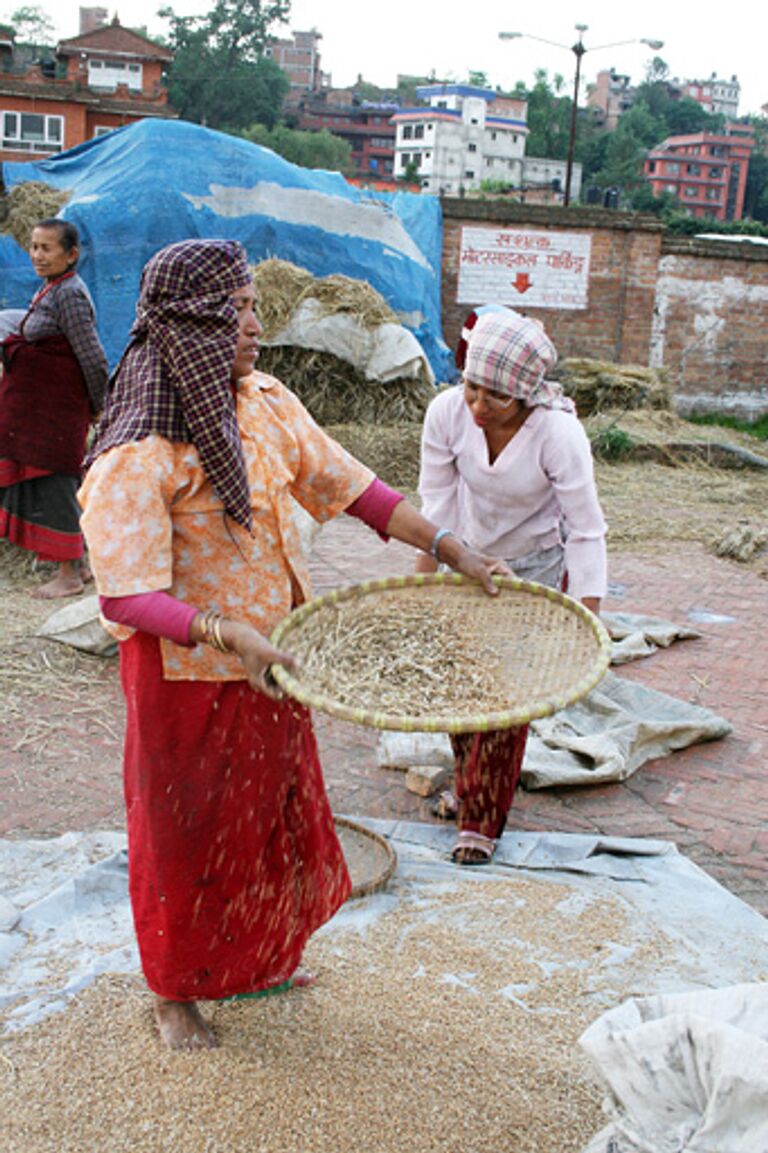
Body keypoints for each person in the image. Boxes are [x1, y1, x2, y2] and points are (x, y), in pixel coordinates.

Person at [78, 239, 508, 1052]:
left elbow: (356, 489)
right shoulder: (139, 448)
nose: (256, 322)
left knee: (268, 823)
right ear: (193, 324)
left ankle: (258, 960)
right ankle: (176, 993)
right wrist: (226, 630)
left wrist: (452, 547)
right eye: (236, 308)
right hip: (187, 676)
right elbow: (126, 593)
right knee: (188, 835)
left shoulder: (267, 401)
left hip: (272, 668)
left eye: (250, 302)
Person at [415, 307, 608, 865]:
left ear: (526, 395)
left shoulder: (558, 432)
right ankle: (467, 785)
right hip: (465, 555)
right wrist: (418, 591)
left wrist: (586, 619)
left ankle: (481, 820)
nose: (477, 406)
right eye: (471, 387)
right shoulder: (447, 414)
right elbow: (436, 506)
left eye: (493, 398)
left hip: (535, 568)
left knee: (505, 695)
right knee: (460, 682)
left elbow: (587, 529)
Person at [0, 218, 108, 597]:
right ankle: (83, 564)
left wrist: (99, 406)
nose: (37, 255)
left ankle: (69, 575)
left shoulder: (70, 294)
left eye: (47, 248)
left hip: (57, 411)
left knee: (57, 482)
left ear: (71, 254)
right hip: (42, 410)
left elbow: (91, 356)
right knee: (61, 483)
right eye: (33, 247)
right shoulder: (52, 288)